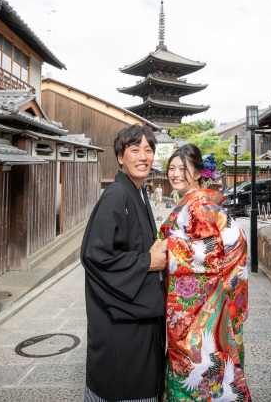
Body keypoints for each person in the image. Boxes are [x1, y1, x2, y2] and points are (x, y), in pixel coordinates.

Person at [80, 125, 168, 402]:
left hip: (137, 317)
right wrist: (147, 262)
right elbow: (95, 256)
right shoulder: (116, 195)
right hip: (120, 324)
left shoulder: (138, 193)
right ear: (120, 156)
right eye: (134, 150)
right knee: (125, 386)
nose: (143, 157)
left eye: (148, 150)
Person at [158, 144, 251, 401]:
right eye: (172, 169)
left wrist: (168, 247)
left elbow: (208, 252)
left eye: (183, 169)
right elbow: (233, 243)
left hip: (202, 305)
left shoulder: (198, 206)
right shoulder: (198, 203)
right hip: (214, 296)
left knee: (195, 360)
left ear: (199, 173)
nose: (175, 174)